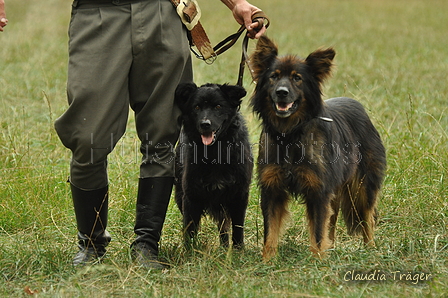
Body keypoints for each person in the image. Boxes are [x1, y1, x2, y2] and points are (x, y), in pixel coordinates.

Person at [54, 0, 267, 269]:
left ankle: (146, 244)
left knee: (162, 137)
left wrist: (236, 3)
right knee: (87, 136)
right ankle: (91, 241)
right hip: (98, 12)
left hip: (163, 12)